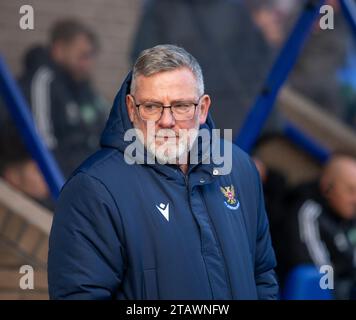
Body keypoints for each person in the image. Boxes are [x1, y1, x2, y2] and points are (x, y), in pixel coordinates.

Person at [48, 44, 278, 300]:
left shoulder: (239, 168)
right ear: (132, 109)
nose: (166, 121)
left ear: (202, 109)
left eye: (180, 106)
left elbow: (262, 274)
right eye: (152, 106)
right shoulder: (93, 189)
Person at [18, 19, 109, 177]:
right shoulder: (44, 81)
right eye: (82, 56)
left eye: (90, 56)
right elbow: (42, 142)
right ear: (59, 50)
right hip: (65, 179)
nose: (87, 64)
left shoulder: (83, 85)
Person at [283, 154, 356, 299]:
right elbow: (320, 274)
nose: (355, 199)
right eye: (350, 190)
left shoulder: (348, 217)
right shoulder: (307, 212)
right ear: (327, 187)